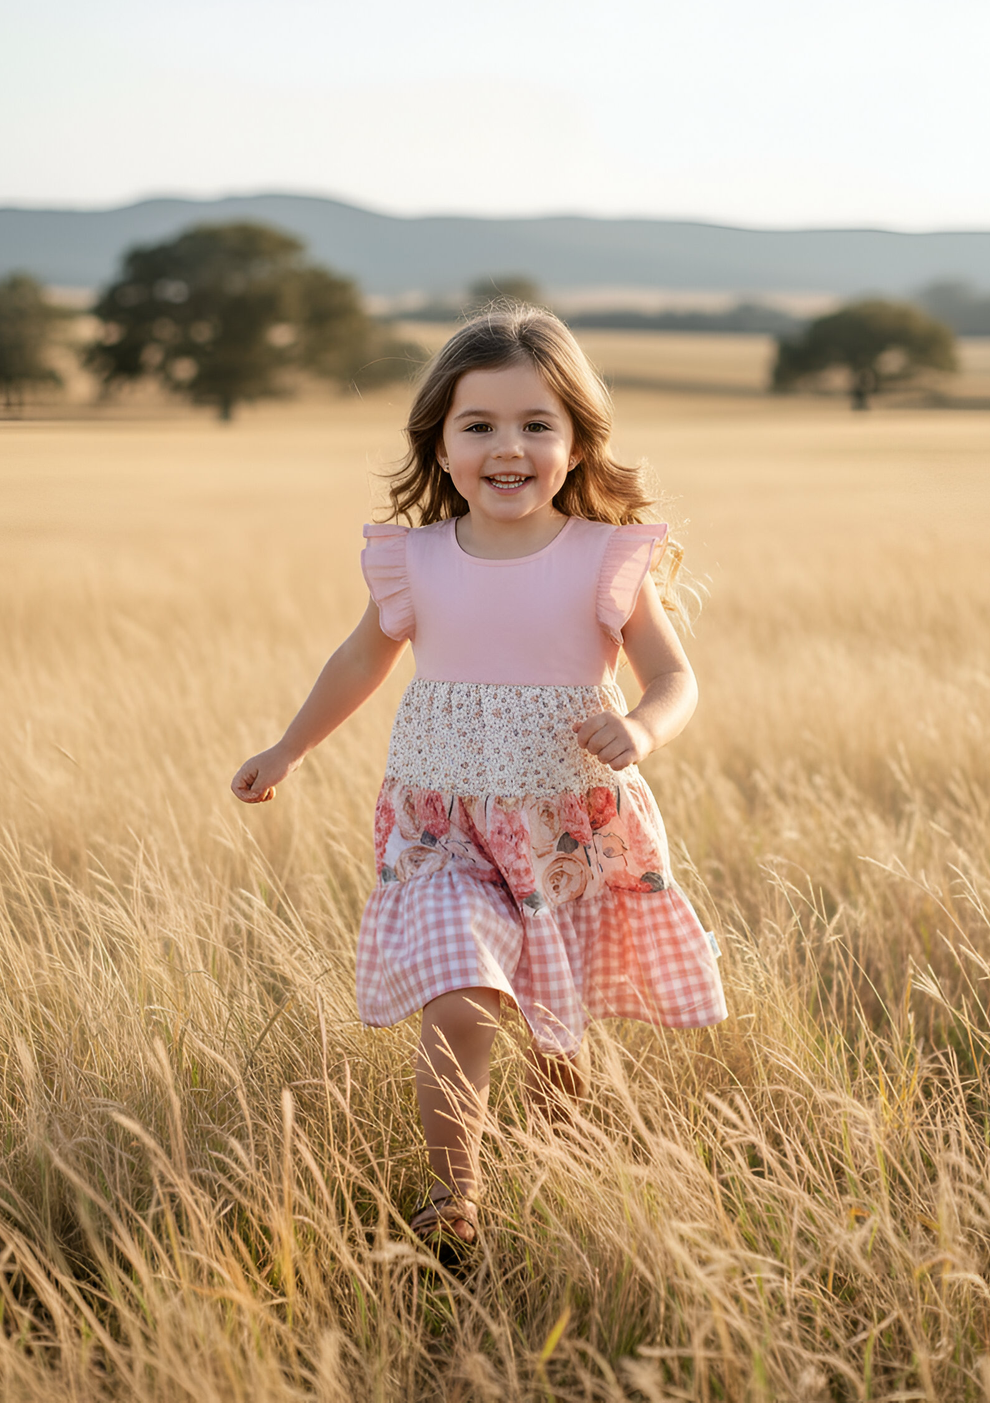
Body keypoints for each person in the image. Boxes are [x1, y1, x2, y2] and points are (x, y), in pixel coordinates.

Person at [231, 306, 726, 1256]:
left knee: (557, 1026)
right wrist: (288, 748)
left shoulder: (603, 559)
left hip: (569, 823)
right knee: (461, 993)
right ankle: (455, 1199)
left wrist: (640, 727)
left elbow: (675, 678)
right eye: (481, 425)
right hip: (443, 824)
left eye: (538, 424)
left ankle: (563, 1161)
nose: (511, 446)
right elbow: (357, 664)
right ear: (443, 444)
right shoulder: (414, 559)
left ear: (578, 444)